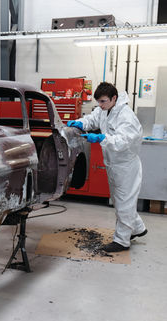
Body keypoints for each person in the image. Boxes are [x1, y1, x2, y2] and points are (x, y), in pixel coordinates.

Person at [67, 82, 147, 252]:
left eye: (103, 101)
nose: (100, 105)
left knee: (124, 201)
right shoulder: (104, 110)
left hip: (126, 166)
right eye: (99, 102)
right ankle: (138, 228)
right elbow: (93, 118)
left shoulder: (126, 117)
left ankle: (122, 241)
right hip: (112, 163)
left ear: (114, 98)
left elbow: (122, 141)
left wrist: (101, 138)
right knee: (120, 200)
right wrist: (80, 123)